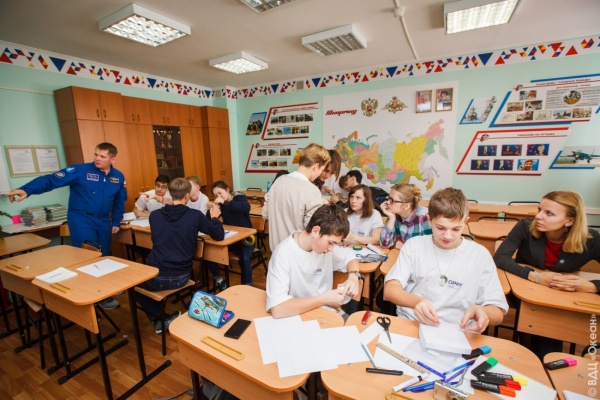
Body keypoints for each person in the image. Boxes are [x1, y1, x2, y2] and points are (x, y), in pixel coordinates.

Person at [7, 142, 127, 310]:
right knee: (89, 255)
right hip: (81, 218)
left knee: (105, 253)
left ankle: (106, 286)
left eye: (102, 156)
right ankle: (96, 294)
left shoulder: (118, 177)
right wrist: (27, 190)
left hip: (103, 220)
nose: (97, 158)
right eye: (96, 154)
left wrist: (116, 221)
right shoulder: (80, 170)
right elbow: (50, 180)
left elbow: (119, 201)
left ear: (112, 159)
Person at [384, 187, 508, 333]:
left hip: (460, 331)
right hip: (413, 324)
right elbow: (390, 289)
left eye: (456, 229)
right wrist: (416, 301)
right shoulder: (414, 246)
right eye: (440, 228)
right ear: (429, 220)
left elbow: (497, 312)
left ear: (466, 222)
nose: (448, 236)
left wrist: (483, 312)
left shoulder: (480, 255)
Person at [494, 190, 599, 358]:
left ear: (569, 221)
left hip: (561, 300)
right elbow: (500, 258)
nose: (539, 216)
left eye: (549, 213)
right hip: (525, 293)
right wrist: (535, 276)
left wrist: (592, 286)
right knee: (537, 332)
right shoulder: (525, 227)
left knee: (548, 338)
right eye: (539, 210)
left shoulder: (591, 239)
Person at [136, 178, 223, 334]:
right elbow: (218, 235)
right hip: (182, 276)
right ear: (187, 196)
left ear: (170, 194)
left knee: (131, 287)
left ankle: (159, 319)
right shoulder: (195, 216)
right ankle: (162, 320)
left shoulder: (155, 216)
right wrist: (215, 217)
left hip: (155, 276)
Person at [266, 204, 361, 318]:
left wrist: (353, 277)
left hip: (326, 312)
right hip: (298, 315)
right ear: (315, 231)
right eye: (331, 243)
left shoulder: (324, 248)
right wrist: (324, 299)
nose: (331, 249)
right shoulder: (283, 254)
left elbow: (350, 257)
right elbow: (278, 309)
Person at [263, 143, 331, 251]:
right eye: (321, 169)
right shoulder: (312, 190)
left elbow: (265, 214)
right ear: (316, 166)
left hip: (276, 251)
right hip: (297, 253)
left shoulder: (278, 181)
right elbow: (312, 230)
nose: (320, 173)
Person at [206, 181, 255, 288]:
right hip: (231, 237)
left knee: (244, 258)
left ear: (227, 190)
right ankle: (219, 279)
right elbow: (208, 220)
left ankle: (247, 286)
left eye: (220, 193)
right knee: (209, 251)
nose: (218, 197)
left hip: (247, 237)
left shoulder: (239, 197)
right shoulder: (220, 204)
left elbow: (245, 207)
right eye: (216, 195)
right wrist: (210, 210)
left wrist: (224, 202)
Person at [380, 183, 432, 250]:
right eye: (388, 198)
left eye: (392, 200)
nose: (387, 202)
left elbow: (432, 249)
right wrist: (391, 218)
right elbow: (384, 245)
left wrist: (403, 246)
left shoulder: (426, 217)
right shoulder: (394, 215)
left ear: (407, 206)